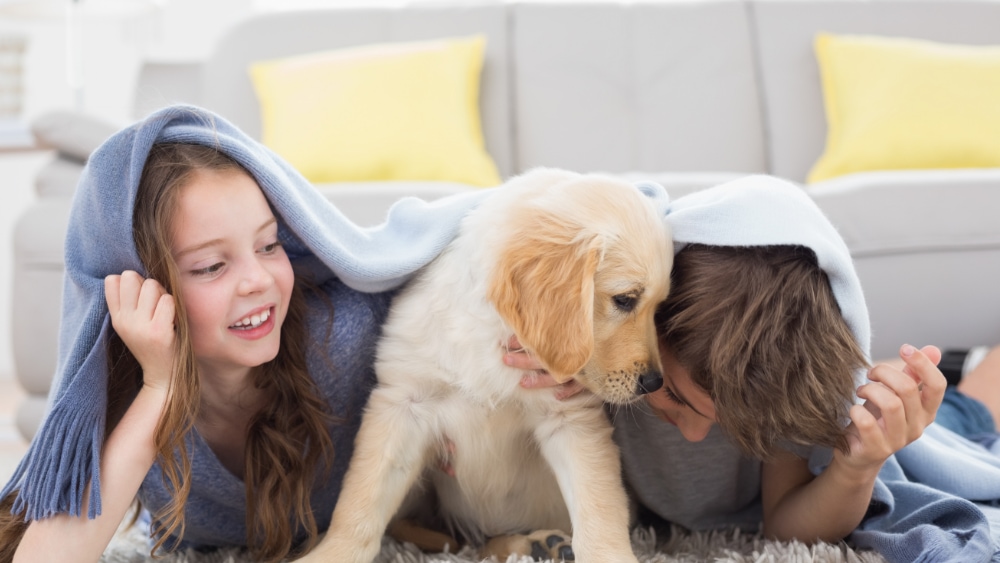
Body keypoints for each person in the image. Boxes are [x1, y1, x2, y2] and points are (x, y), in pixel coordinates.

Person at [0, 105, 510, 562]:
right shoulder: (132, 403)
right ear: (144, 289)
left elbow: (488, 226)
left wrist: (525, 342)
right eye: (212, 266)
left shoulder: (344, 334)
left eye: (269, 246)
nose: (260, 280)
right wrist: (161, 387)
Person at [510, 177, 1000, 562]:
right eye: (674, 394)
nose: (697, 433)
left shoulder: (773, 382)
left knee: (966, 415)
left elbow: (785, 528)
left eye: (726, 426)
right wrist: (560, 339)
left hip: (942, 419)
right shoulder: (622, 342)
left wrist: (859, 466)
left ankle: (972, 364)